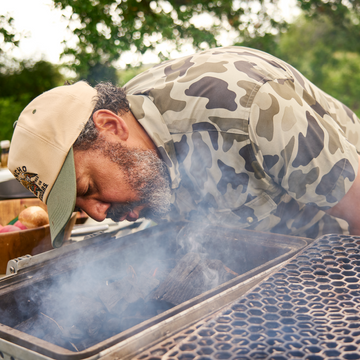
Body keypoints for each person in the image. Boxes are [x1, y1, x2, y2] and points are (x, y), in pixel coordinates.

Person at [8, 46, 360, 248]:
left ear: (111, 127)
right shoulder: (138, 148)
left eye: (89, 188)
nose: (98, 215)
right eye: (79, 206)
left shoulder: (250, 106)